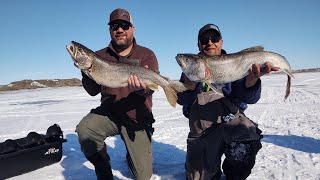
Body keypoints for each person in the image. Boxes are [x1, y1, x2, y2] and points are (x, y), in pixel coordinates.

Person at [177, 24, 279, 180]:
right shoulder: (193, 64)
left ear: (221, 42)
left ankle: (234, 173)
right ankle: (210, 169)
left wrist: (252, 79)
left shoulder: (236, 63)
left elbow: (249, 98)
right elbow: (182, 100)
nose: (210, 42)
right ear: (198, 44)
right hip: (202, 129)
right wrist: (189, 87)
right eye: (204, 40)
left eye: (214, 38)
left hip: (232, 123)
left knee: (246, 137)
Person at [75, 8, 159, 180]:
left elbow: (151, 88)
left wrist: (141, 88)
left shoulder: (146, 55)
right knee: (85, 130)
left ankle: (133, 154)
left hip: (137, 116)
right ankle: (103, 170)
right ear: (110, 30)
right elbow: (92, 91)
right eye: (115, 26)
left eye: (124, 25)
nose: (119, 30)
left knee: (143, 176)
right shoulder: (99, 56)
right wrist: (86, 71)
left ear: (132, 29)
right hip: (110, 114)